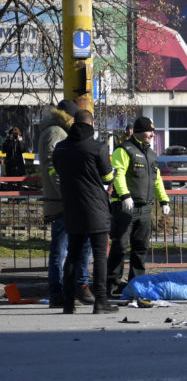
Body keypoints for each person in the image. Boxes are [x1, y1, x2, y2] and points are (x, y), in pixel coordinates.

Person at [52, 109, 118, 314]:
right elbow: (108, 178)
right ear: (92, 124)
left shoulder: (60, 148)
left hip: (72, 208)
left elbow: (57, 172)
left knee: (72, 255)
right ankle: (100, 302)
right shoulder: (98, 148)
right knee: (99, 255)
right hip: (96, 209)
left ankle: (69, 303)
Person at [106, 116, 171, 296]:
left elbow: (156, 179)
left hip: (145, 208)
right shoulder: (124, 150)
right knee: (120, 246)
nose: (152, 134)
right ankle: (112, 285)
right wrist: (125, 195)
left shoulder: (151, 154)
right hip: (125, 207)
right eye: (149, 131)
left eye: (152, 131)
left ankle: (136, 285)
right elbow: (118, 175)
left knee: (140, 248)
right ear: (139, 132)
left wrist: (164, 200)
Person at [39, 100, 94, 308]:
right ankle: (58, 292)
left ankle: (67, 290)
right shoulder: (56, 133)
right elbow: (54, 169)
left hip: (61, 201)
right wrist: (69, 193)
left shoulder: (54, 131)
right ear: (69, 116)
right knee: (61, 249)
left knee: (69, 247)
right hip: (62, 202)